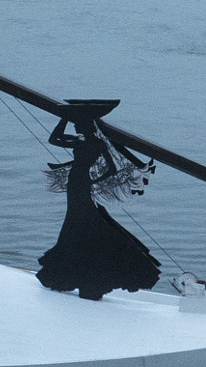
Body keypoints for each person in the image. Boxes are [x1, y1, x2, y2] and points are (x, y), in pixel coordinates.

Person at [35, 116, 160, 300]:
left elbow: (110, 168)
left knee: (79, 225)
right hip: (76, 184)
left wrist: (92, 182)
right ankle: (78, 274)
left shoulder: (97, 143)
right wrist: (64, 118)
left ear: (86, 125)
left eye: (77, 123)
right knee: (78, 224)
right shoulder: (80, 140)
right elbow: (54, 139)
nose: (75, 125)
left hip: (82, 184)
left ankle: (72, 273)